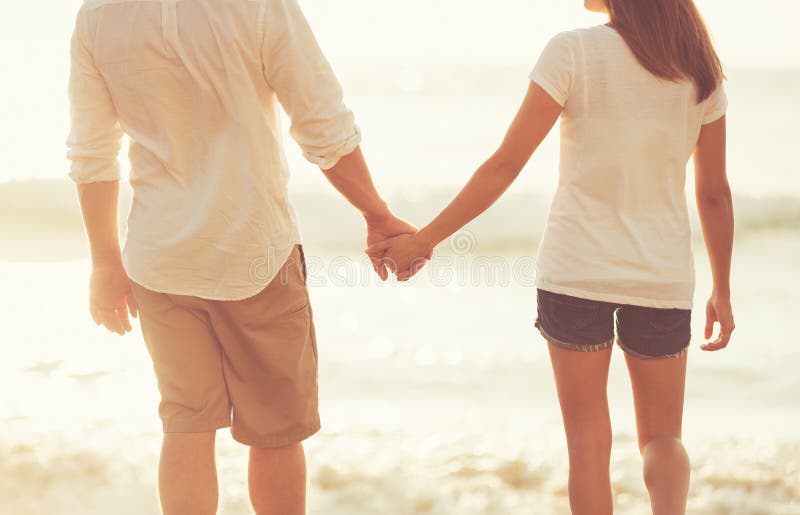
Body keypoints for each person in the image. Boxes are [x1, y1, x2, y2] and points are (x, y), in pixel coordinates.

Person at [368, 0, 735, 513]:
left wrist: (425, 239)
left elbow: (505, 164)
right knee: (663, 439)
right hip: (662, 279)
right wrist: (722, 287)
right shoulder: (699, 70)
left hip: (576, 273)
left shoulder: (573, 51)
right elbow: (714, 193)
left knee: (587, 446)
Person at [66, 0, 414, 513]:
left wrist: (104, 261)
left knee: (185, 424)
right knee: (274, 433)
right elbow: (322, 125)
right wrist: (377, 213)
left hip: (159, 260)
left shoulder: (100, 15)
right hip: (257, 255)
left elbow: (92, 151)